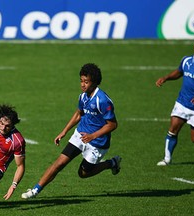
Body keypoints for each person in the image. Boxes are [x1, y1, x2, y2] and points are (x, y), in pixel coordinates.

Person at [21, 63, 121, 199]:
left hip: (97, 142)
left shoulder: (103, 100)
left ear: (95, 82)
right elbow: (79, 114)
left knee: (83, 173)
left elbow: (113, 125)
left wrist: (93, 136)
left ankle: (111, 163)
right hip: (80, 134)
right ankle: (35, 190)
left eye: (86, 82)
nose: (82, 84)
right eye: (81, 81)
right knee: (59, 162)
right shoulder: (83, 96)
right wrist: (64, 131)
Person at [156, 36, 194, 166]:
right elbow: (179, 72)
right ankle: (167, 159)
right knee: (173, 128)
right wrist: (166, 77)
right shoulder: (186, 61)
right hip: (182, 103)